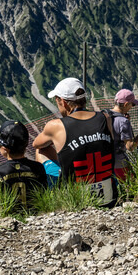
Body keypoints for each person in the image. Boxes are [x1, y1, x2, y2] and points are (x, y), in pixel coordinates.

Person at [33, 77, 118, 208]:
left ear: (63, 102)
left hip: (76, 201)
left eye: (57, 101)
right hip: (110, 196)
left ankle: (51, 197)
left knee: (42, 150)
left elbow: (36, 144)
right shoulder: (105, 118)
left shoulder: (56, 126)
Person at [0, 120, 50, 208]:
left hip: (8, 215)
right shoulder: (38, 167)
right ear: (26, 144)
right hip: (35, 211)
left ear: (4, 148)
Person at [108, 88, 138, 181]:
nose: (132, 107)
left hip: (105, 162)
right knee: (130, 185)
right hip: (119, 163)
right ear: (126, 104)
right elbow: (130, 147)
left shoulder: (104, 115)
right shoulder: (123, 121)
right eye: (132, 104)